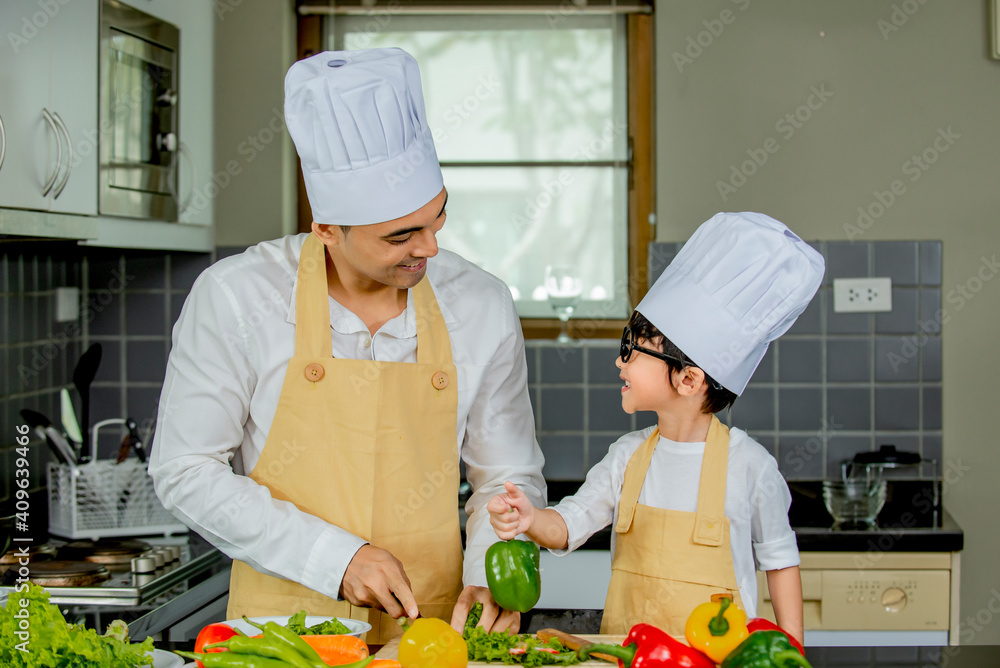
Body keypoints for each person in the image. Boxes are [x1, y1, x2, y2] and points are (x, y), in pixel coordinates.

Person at [149, 48, 546, 643]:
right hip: (284, 637)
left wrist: (492, 567)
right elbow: (184, 469)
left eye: (438, 219)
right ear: (328, 228)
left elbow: (505, 475)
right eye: (401, 235)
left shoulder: (480, 304)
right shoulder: (238, 298)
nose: (431, 249)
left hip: (432, 632)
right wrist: (336, 557)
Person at [488, 212, 824, 645]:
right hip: (629, 657)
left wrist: (791, 648)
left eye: (633, 349)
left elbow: (779, 560)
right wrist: (531, 519)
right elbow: (569, 526)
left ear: (688, 380)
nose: (620, 361)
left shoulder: (751, 467)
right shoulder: (627, 456)